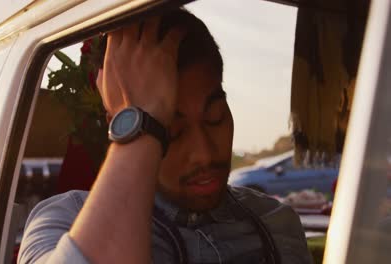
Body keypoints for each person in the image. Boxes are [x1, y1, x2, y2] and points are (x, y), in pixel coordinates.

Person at [18, 9, 312, 264]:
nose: (204, 154)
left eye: (215, 118)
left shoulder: (277, 223)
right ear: (119, 123)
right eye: (171, 131)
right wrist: (142, 122)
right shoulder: (63, 222)